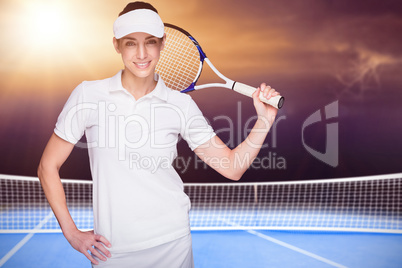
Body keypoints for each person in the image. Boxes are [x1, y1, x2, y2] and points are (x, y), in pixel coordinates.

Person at [37, 2, 280, 267]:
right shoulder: (87, 95)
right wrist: (71, 233)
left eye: (150, 42)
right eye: (130, 43)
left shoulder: (180, 105)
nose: (141, 53)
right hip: (112, 252)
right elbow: (48, 166)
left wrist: (265, 120)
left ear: (163, 44)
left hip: (173, 244)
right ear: (116, 45)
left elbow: (232, 167)